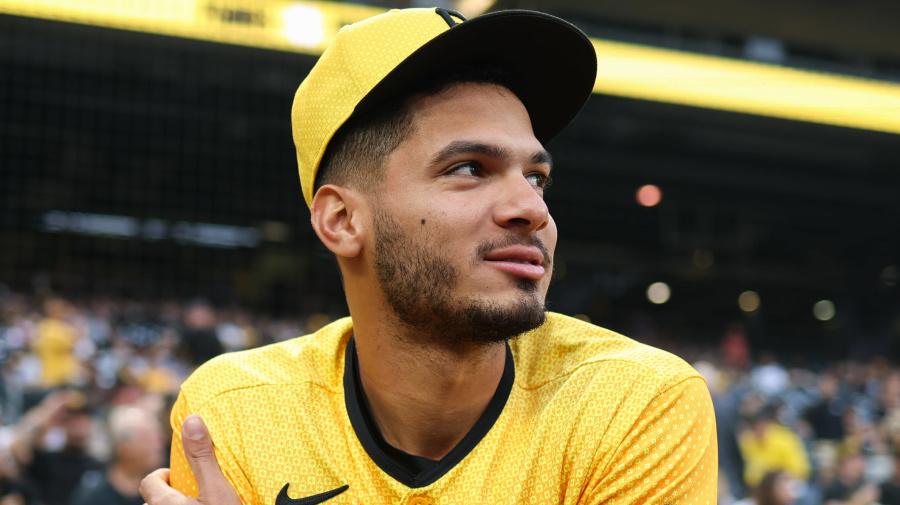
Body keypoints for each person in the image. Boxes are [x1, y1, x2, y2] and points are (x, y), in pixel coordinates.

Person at [140, 7, 717, 505]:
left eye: (537, 177)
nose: (532, 209)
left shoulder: (633, 403)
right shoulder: (236, 411)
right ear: (342, 221)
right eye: (469, 169)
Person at [69, 405, 164, 505]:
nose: (158, 445)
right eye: (148, 438)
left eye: (158, 437)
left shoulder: (163, 491)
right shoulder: (93, 496)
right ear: (123, 447)